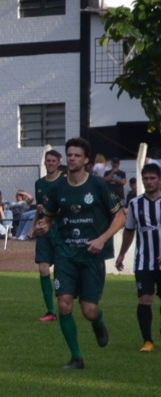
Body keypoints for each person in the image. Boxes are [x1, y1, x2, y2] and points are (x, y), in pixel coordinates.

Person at [34, 137, 126, 370]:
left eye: (77, 155)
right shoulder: (58, 188)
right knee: (64, 305)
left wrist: (102, 238)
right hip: (65, 254)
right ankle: (76, 357)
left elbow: (121, 216)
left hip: (91, 257)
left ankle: (98, 321)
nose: (72, 158)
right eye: (70, 154)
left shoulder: (98, 186)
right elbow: (48, 215)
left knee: (88, 310)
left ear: (86, 160)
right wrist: (43, 225)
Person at [115, 161, 161, 353]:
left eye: (152, 178)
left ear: (159, 180)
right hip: (143, 261)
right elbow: (129, 231)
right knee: (145, 299)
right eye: (146, 179)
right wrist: (121, 255)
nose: (149, 182)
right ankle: (147, 340)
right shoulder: (135, 203)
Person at [32, 150, 65, 322]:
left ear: (59, 162)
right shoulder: (39, 183)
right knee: (43, 268)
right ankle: (50, 311)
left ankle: (64, 305)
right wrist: (33, 227)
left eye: (53, 160)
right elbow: (39, 208)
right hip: (43, 231)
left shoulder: (64, 182)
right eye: (48, 160)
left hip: (60, 230)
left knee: (61, 270)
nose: (50, 163)